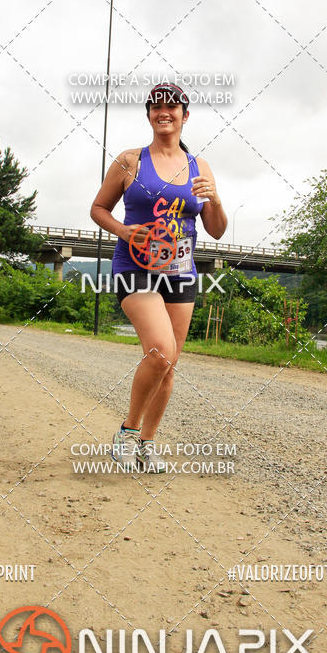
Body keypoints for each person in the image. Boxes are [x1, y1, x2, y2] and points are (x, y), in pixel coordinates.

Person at [90, 83, 227, 472]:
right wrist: (124, 231)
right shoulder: (129, 161)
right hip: (135, 268)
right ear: (149, 114)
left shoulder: (200, 167)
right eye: (156, 106)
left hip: (180, 273)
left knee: (169, 364)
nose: (163, 111)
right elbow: (98, 208)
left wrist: (215, 199)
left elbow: (217, 230)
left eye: (172, 106)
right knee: (161, 350)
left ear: (185, 115)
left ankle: (146, 445)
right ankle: (128, 433)